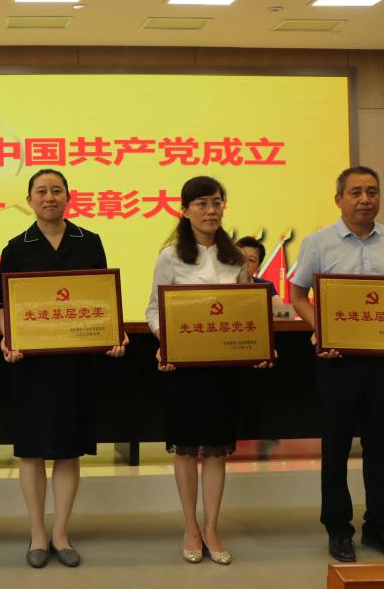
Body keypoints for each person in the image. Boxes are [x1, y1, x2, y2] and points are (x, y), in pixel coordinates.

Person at [289, 166, 384, 564]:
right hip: (338, 362)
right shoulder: (318, 242)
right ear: (339, 199)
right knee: (336, 447)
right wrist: (322, 330)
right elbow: (298, 294)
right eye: (356, 192)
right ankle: (338, 529)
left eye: (372, 191)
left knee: (380, 447)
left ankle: (380, 528)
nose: (365, 199)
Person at [0, 169, 127, 569]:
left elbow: (101, 297)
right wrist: (8, 336)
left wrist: (114, 331)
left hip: (75, 364)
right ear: (29, 200)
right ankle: (37, 533)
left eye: (56, 190)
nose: (49, 197)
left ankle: (61, 533)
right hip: (30, 366)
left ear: (68, 197)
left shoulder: (90, 241)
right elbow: (0, 306)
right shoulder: (16, 247)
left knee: (69, 451)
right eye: (41, 191)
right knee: (31, 452)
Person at [145, 176, 272, 566]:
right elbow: (154, 310)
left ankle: (212, 528)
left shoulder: (235, 258)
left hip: (223, 370)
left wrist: (259, 343)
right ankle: (190, 527)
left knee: (217, 452)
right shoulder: (170, 257)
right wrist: (166, 340)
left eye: (217, 202)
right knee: (186, 451)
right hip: (184, 369)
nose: (211, 210)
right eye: (201, 203)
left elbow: (248, 309)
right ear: (185, 210)